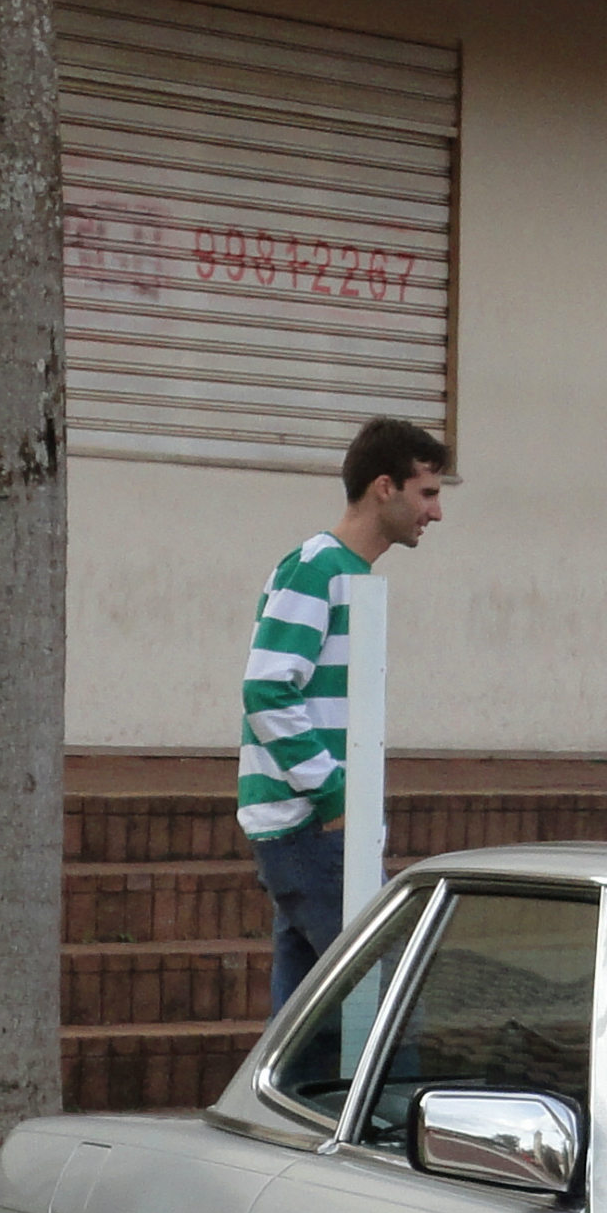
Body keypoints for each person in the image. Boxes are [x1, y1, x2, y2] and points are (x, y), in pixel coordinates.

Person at [242, 418, 447, 1006]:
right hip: (314, 827)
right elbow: (266, 690)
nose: (435, 513)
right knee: (389, 1003)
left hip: (314, 827)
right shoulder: (318, 568)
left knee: (307, 1023)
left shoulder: (344, 572)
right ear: (385, 487)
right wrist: (334, 797)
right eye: (427, 493)